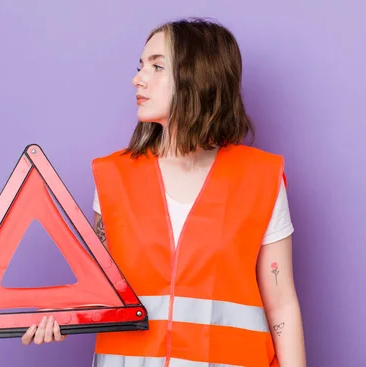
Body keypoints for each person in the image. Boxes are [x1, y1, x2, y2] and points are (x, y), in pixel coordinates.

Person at [22, 17, 307, 367]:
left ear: (199, 77)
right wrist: (61, 316)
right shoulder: (113, 176)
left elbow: (282, 304)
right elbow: (101, 291)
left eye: (157, 66)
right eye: (141, 66)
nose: (138, 78)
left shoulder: (261, 178)